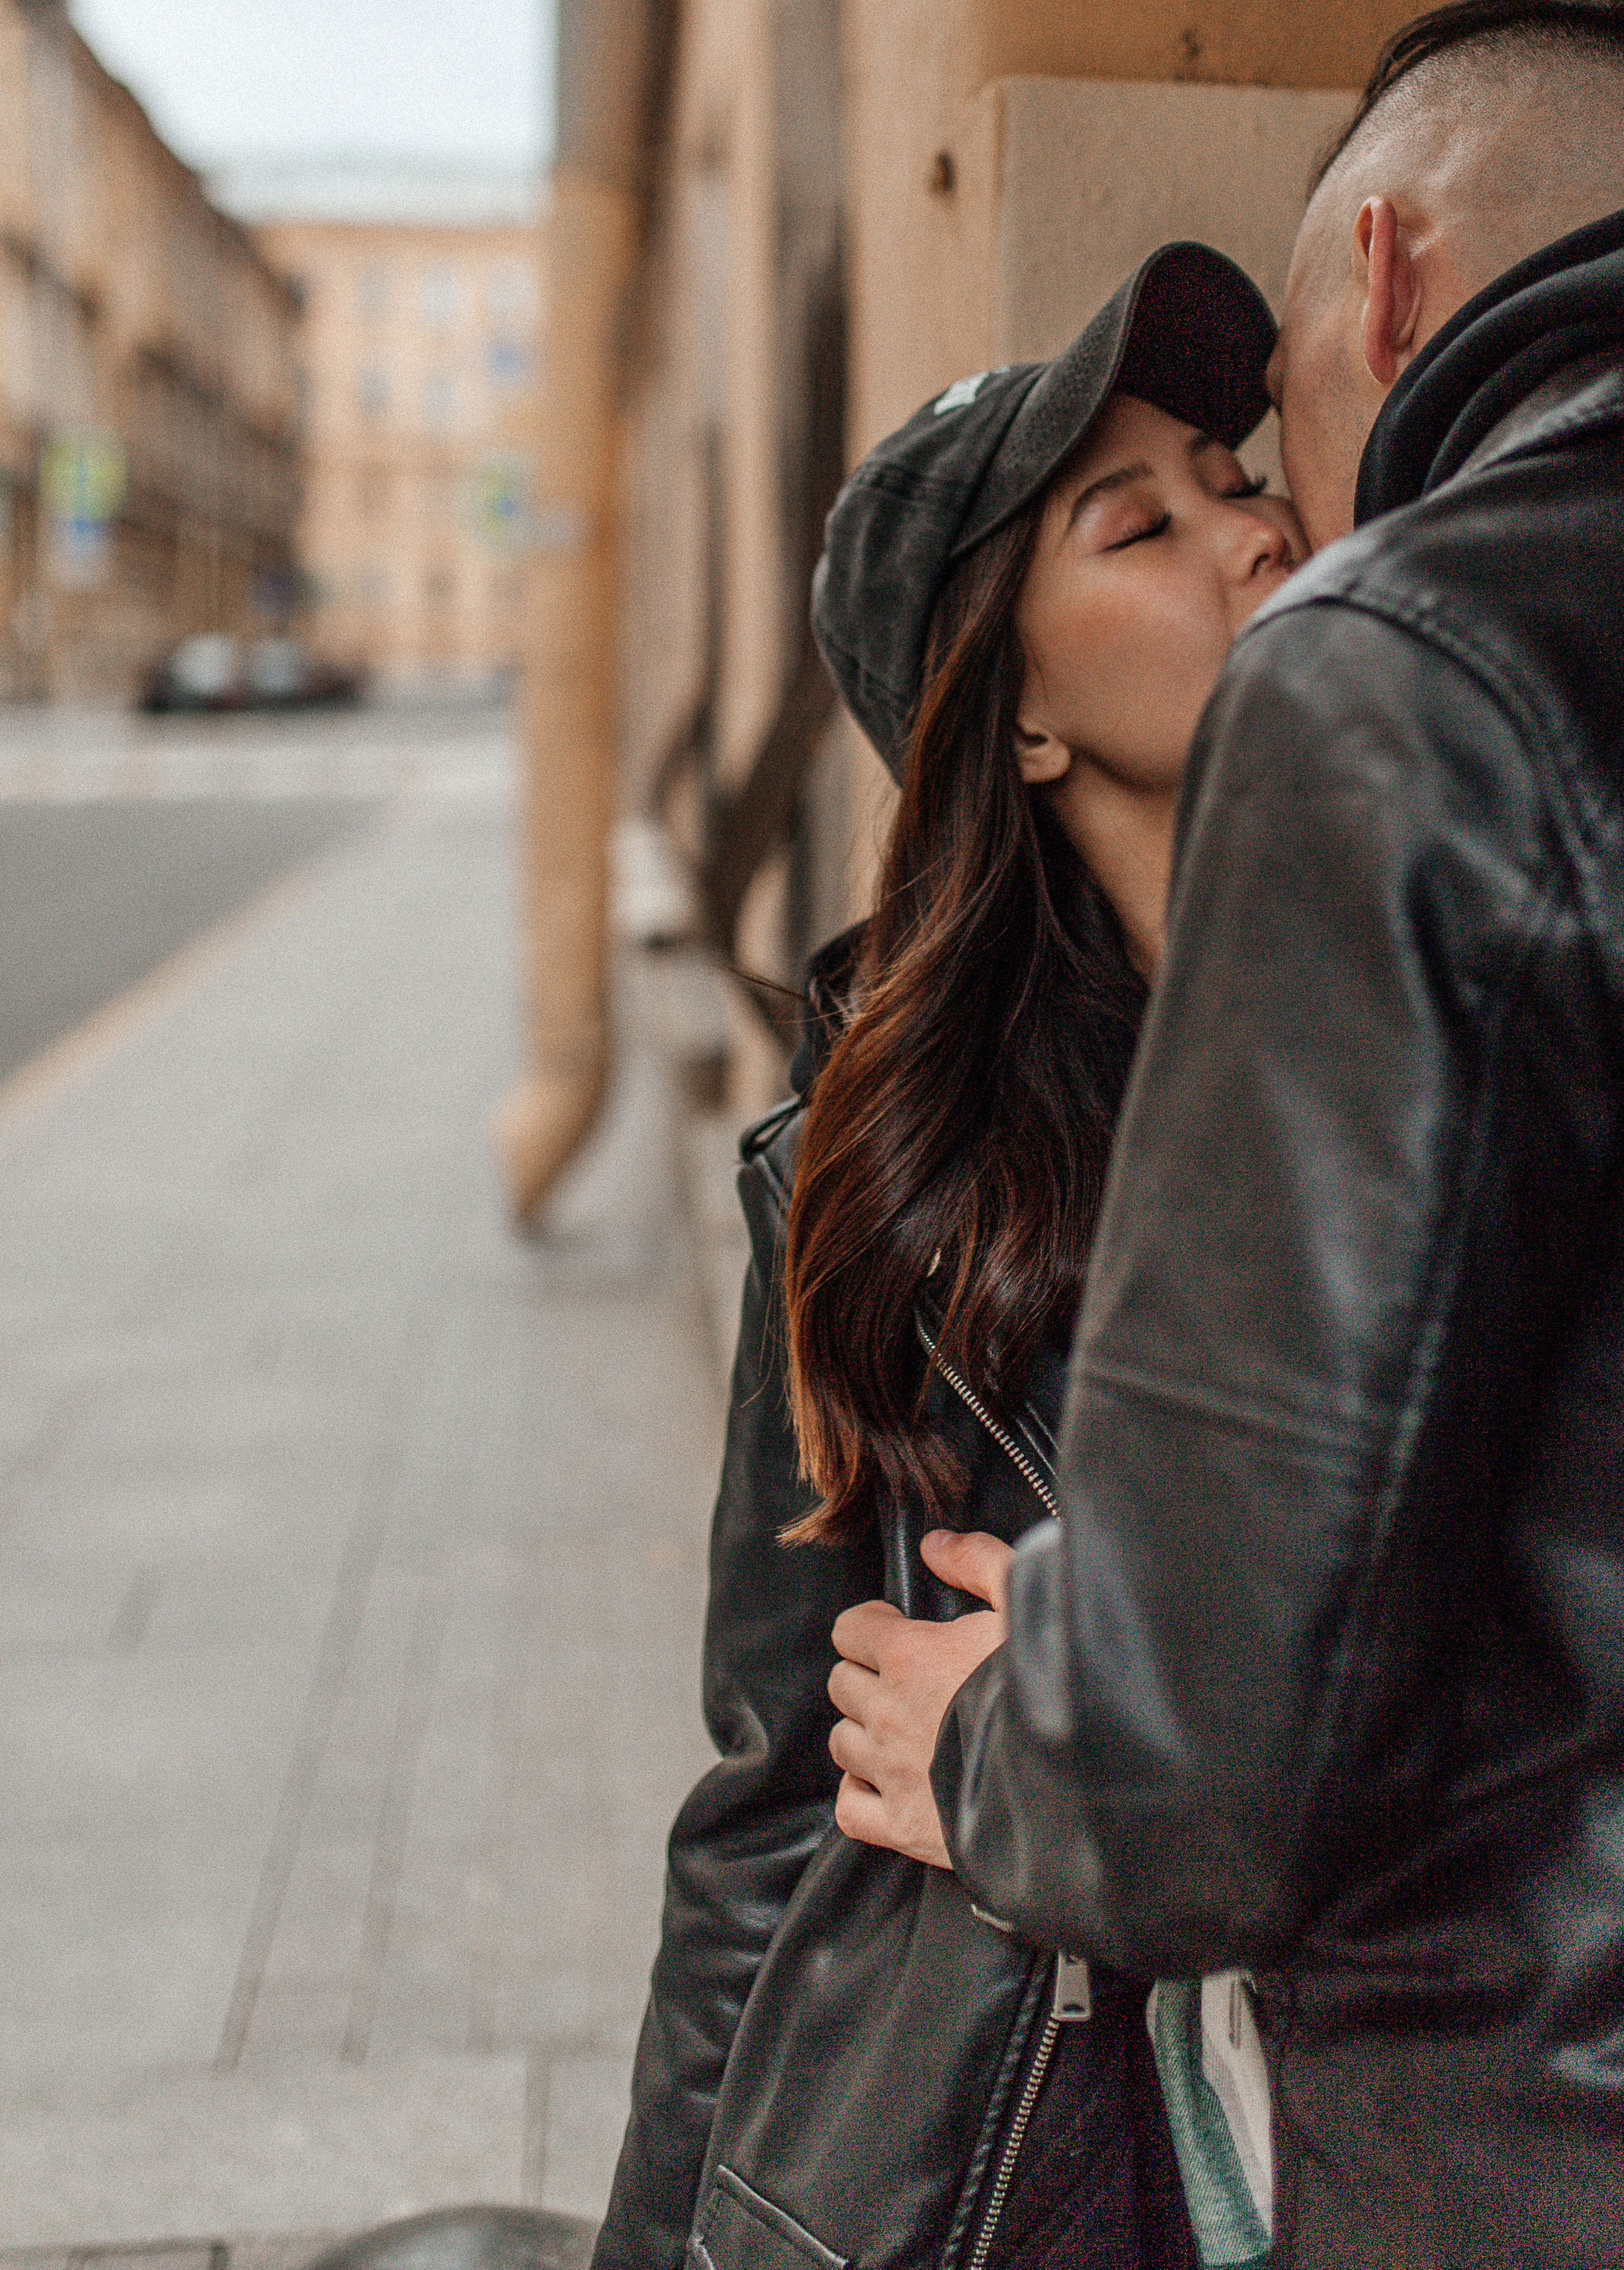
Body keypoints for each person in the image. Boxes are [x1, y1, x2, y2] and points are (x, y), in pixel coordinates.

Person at [825, 0, 1624, 2266]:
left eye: (1264, 415)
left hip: (1614, 2152)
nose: (1285, 496)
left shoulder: (1423, 662)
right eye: (1142, 514)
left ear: (1379, 280)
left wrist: (1006, 1732)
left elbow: (1195, 1778)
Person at [592, 242, 1307, 2270]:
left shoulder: (1436, 1035)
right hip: (1031, 2171)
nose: (1254, 533)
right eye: (1136, 522)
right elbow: (772, 1801)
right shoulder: (890, 1185)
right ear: (1017, 723)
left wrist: (1063, 1720)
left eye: (1232, 473)